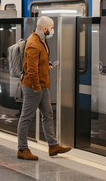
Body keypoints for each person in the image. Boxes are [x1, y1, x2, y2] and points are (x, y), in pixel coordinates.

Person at [17, 16, 71, 160]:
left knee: (47, 115)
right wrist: (36, 88)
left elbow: (38, 63)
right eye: (52, 27)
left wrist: (47, 66)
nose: (53, 30)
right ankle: (22, 149)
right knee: (26, 118)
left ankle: (53, 145)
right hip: (33, 87)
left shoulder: (41, 41)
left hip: (42, 85)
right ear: (45, 28)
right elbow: (31, 70)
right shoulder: (34, 43)